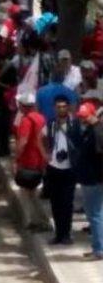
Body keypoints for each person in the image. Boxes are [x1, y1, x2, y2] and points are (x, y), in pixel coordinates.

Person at [45, 96, 81, 246]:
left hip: (69, 168)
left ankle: (66, 233)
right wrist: (46, 155)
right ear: (54, 108)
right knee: (55, 203)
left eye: (64, 106)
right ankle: (58, 234)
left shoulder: (74, 123)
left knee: (67, 203)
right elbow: (42, 138)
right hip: (54, 167)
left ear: (68, 107)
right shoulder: (51, 124)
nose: (61, 109)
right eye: (58, 107)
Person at [12, 93, 50, 232]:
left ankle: (37, 221)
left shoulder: (26, 121)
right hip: (39, 161)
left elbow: (23, 142)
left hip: (28, 162)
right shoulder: (41, 118)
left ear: (22, 106)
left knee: (28, 194)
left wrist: (16, 159)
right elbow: (44, 138)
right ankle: (39, 221)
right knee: (32, 193)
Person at [74, 103, 103, 260]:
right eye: (81, 117)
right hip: (90, 178)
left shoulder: (97, 132)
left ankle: (99, 249)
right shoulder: (91, 130)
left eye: (85, 116)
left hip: (93, 180)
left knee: (95, 215)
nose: (83, 119)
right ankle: (98, 247)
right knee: (95, 214)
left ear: (93, 114)